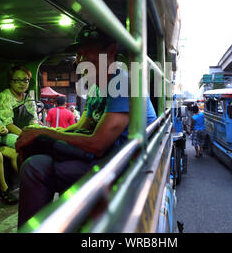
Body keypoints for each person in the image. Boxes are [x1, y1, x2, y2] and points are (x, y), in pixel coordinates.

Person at [16, 25, 157, 228]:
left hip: (125, 166)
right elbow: (85, 126)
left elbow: (97, 143)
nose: (80, 61)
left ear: (110, 52)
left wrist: (44, 133)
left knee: (36, 167)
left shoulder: (124, 84)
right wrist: (43, 135)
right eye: (78, 55)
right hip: (108, 158)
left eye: (86, 52)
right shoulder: (100, 89)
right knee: (37, 160)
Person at [0, 65, 39, 136]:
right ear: (10, 81)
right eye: (17, 80)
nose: (22, 83)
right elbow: (8, 124)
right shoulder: (5, 96)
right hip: (8, 133)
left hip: (25, 131)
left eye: (25, 80)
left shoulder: (28, 98)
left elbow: (34, 119)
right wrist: (26, 136)